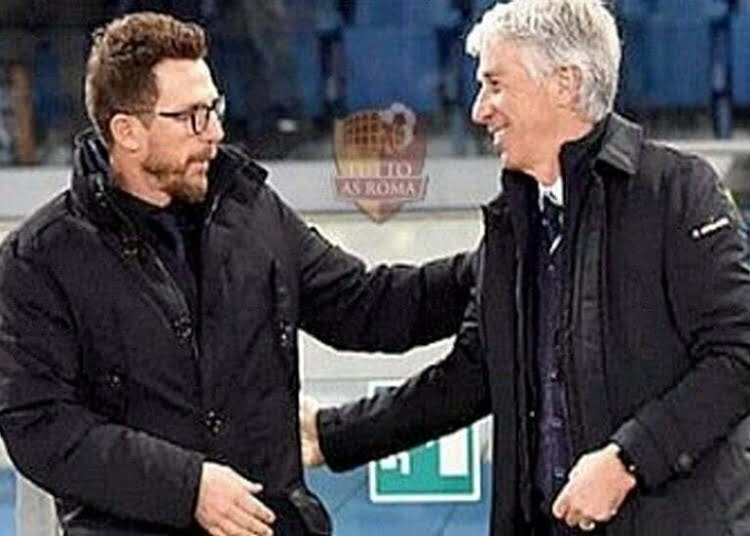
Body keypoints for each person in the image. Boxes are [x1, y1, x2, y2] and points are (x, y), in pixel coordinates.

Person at [0, 12, 474, 536]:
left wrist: (489, 266)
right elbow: (41, 427)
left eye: (215, 108)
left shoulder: (251, 208)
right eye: (192, 116)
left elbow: (369, 307)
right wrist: (188, 488)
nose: (215, 132)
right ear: (127, 131)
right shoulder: (39, 259)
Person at [301, 0, 750, 534]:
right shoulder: (516, 225)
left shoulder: (678, 191)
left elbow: (738, 355)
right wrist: (333, 434)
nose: (479, 110)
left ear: (565, 83)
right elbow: (469, 378)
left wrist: (628, 461)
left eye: (495, 84)